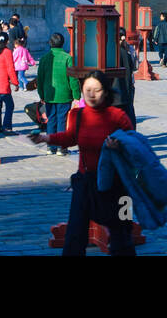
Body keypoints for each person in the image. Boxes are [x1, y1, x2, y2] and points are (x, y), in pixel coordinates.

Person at [29, 71, 135, 256]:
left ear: (106, 92)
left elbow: (134, 147)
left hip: (116, 185)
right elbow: (70, 137)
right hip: (85, 181)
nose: (92, 94)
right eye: (87, 90)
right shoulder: (77, 115)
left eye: (97, 90)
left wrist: (119, 147)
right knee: (75, 233)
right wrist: (45, 138)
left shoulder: (118, 117)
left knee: (121, 234)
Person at [36, 32, 81, 156]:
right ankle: (62, 147)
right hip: (64, 94)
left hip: (49, 95)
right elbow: (73, 79)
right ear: (62, 43)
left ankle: (51, 147)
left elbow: (40, 79)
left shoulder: (44, 58)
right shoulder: (67, 58)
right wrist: (76, 95)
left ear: (50, 43)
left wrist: (41, 95)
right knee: (62, 120)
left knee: (51, 120)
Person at [0, 34, 20, 135]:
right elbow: (11, 69)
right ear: (7, 41)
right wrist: (15, 82)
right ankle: (7, 127)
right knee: (10, 105)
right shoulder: (7, 52)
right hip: (3, 84)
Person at [116, 34, 139, 127]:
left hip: (118, 87)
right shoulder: (129, 52)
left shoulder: (114, 53)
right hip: (129, 84)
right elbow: (135, 67)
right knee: (129, 109)